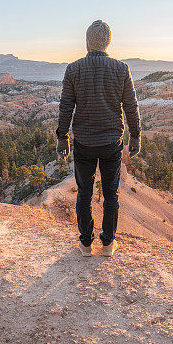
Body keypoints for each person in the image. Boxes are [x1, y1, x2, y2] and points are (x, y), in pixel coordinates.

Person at [56, 20, 141, 257]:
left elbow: (66, 107)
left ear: (87, 42)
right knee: (111, 194)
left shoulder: (73, 69)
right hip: (111, 142)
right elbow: (131, 106)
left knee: (84, 193)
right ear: (108, 42)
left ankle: (85, 244)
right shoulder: (121, 69)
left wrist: (62, 137)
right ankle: (107, 244)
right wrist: (135, 135)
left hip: (83, 141)